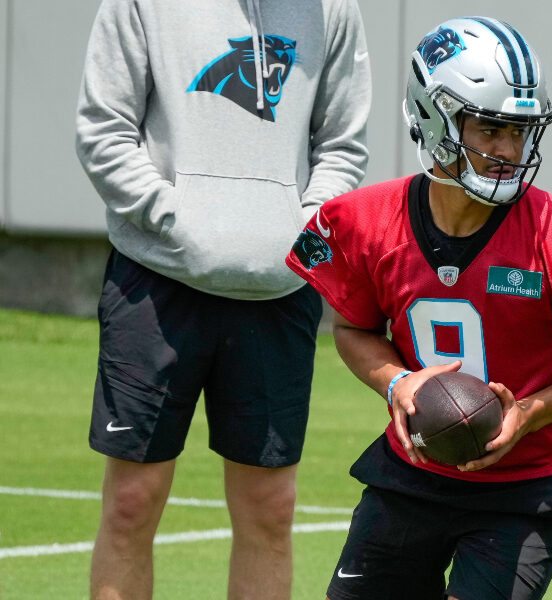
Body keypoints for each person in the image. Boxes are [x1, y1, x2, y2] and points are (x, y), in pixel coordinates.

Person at [285, 16, 552, 600]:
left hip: (529, 482)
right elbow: (354, 330)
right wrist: (399, 384)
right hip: (413, 472)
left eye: (520, 131)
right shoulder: (362, 222)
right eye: (491, 129)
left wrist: (531, 411)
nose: (510, 150)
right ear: (432, 116)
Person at [74, 0, 371, 598]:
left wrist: (298, 229)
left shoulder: (331, 8)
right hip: (157, 284)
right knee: (132, 503)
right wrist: (182, 222)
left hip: (278, 292)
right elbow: (103, 132)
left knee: (269, 510)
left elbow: (343, 147)